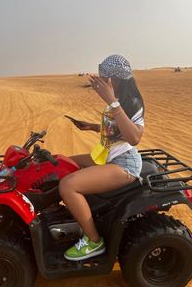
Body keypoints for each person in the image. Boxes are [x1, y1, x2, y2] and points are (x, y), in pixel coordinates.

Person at [59, 54, 145, 261]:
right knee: (63, 161)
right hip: (108, 156)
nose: (102, 81)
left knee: (67, 185)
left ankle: (93, 241)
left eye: (104, 77)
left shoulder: (131, 103)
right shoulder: (119, 100)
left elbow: (134, 137)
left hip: (124, 164)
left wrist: (112, 101)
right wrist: (91, 126)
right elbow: (117, 129)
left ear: (116, 80)